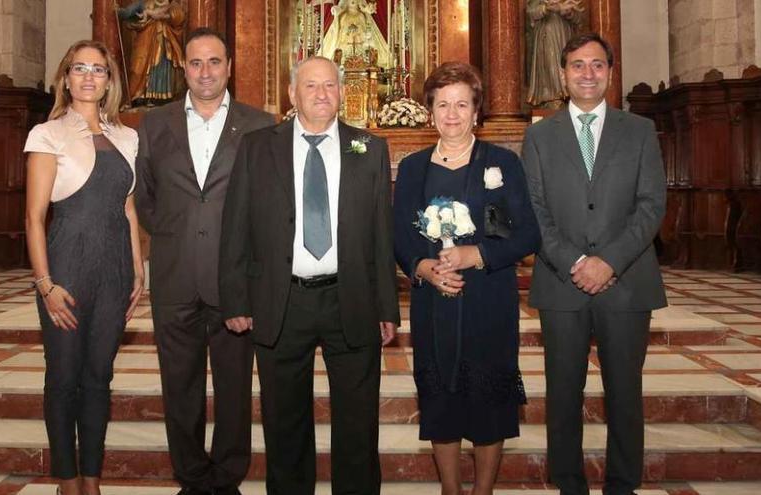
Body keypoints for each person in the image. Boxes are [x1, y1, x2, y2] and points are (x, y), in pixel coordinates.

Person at [219, 56, 400, 495]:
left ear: (342, 93)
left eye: (330, 86)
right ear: (292, 94)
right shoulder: (258, 146)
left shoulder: (369, 148)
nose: (321, 94)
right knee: (285, 423)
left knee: (358, 422)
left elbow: (381, 234)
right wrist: (236, 299)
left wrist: (386, 306)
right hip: (283, 300)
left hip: (350, 297)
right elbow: (235, 226)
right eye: (311, 86)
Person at [522, 33, 667, 495]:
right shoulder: (540, 134)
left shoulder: (639, 130)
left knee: (624, 395)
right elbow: (534, 210)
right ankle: (569, 485)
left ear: (609, 71)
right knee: (564, 395)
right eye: (578, 65)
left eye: (597, 65)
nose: (588, 73)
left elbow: (651, 206)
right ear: (563, 75)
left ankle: (623, 486)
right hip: (561, 284)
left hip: (626, 285)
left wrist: (608, 262)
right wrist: (577, 262)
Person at [134, 28, 274, 495]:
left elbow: (267, 206)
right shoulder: (155, 124)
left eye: (214, 62)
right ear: (184, 69)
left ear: (230, 66)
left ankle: (227, 479)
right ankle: (192, 478)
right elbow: (148, 198)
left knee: (234, 389)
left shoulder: (260, 125)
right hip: (175, 277)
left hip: (235, 282)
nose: (205, 72)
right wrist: (176, 237)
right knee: (179, 387)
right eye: (195, 63)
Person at [393, 62, 541, 495]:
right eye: (443, 104)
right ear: (430, 111)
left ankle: (483, 491)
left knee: (488, 400)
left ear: (477, 112)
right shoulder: (414, 167)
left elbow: (527, 234)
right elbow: (400, 235)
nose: (452, 114)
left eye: (462, 104)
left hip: (487, 300)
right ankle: (451, 490)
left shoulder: (501, 164)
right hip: (433, 301)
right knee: (441, 399)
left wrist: (476, 254)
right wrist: (423, 268)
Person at [24, 40, 143, 495]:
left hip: (114, 269)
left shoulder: (127, 136)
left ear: (109, 80)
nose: (89, 77)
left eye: (99, 69)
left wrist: (137, 267)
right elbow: (35, 218)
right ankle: (67, 480)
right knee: (64, 376)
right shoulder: (47, 134)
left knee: (99, 377)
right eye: (80, 69)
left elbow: (128, 210)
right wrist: (45, 283)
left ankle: (92, 479)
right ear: (66, 78)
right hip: (67, 266)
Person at [118, 0, 186, 105]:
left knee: (162, 67)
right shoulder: (145, 4)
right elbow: (132, 21)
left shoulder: (172, 5)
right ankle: (138, 96)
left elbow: (180, 17)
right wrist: (146, 15)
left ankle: (160, 98)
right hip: (145, 41)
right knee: (138, 68)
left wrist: (163, 17)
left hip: (165, 42)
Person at [526, 0, 584, 108]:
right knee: (550, 62)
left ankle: (568, 96)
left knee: (567, 63)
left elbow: (579, 17)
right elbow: (531, 11)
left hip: (565, 34)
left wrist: (567, 11)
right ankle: (550, 98)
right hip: (546, 33)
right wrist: (546, 8)